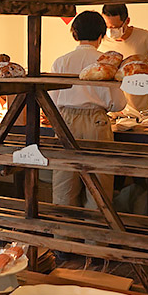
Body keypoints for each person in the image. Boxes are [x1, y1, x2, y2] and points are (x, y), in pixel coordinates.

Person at [48, 11, 126, 210]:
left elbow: (53, 102)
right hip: (96, 124)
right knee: (98, 191)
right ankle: (95, 241)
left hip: (66, 123)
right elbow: (118, 104)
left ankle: (64, 239)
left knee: (64, 189)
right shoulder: (107, 63)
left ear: (74, 33)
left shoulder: (61, 61)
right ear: (101, 35)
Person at [102, 3, 148, 112]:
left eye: (115, 27)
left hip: (140, 111)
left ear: (127, 21)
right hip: (110, 111)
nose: (110, 31)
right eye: (107, 27)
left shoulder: (146, 38)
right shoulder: (101, 40)